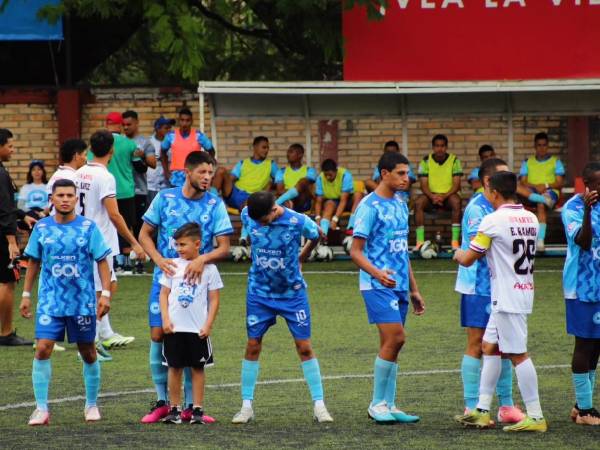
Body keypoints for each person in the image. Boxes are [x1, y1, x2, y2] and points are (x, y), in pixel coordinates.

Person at [138, 150, 232, 424]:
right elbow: (144, 233)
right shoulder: (165, 197)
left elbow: (224, 246)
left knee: (193, 340)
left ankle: (192, 407)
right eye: (202, 172)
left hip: (197, 288)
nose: (207, 178)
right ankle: (162, 403)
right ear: (187, 172)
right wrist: (158, 259)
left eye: (210, 173)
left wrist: (202, 258)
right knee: (159, 335)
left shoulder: (214, 204)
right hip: (165, 281)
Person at [454, 171, 547, 432]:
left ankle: (536, 416)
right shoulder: (529, 217)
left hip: (507, 297)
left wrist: (456, 252)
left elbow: (469, 258)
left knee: (518, 355)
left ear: (493, 192)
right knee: (489, 346)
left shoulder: (492, 220)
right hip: (518, 290)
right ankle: (482, 410)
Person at [231, 191, 333, 424]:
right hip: (259, 293)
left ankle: (319, 405)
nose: (260, 225)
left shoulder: (298, 220)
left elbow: (316, 235)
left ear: (274, 210)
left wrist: (303, 254)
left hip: (292, 294)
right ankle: (246, 406)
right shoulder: (249, 214)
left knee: (304, 346)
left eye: (264, 221)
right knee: (253, 345)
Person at [19, 179, 112, 425]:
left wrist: (105, 293)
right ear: (52, 198)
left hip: (82, 302)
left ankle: (91, 404)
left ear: (75, 198)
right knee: (42, 348)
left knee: (88, 352)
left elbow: (103, 260)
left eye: (70, 195)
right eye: (60, 195)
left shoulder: (88, 228)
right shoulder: (41, 228)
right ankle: (41, 409)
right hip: (50, 301)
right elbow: (34, 262)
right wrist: (26, 295)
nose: (65, 199)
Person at [349, 151, 425, 423]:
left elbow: (401, 251)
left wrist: (413, 289)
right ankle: (376, 404)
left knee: (391, 343)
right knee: (397, 338)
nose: (407, 178)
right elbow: (355, 251)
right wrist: (378, 274)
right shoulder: (369, 207)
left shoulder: (401, 203)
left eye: (407, 173)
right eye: (401, 173)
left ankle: (389, 404)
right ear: (384, 174)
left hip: (399, 285)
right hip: (376, 284)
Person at [75, 130, 144, 355]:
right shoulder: (105, 177)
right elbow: (114, 214)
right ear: (112, 150)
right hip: (99, 240)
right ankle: (90, 338)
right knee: (102, 288)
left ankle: (105, 332)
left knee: (106, 284)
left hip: (82, 236)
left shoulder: (80, 172)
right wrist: (134, 242)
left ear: (92, 149)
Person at [159, 223, 222, 425]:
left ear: (197, 244)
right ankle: (175, 409)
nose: (179, 249)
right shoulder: (172, 265)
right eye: (176, 244)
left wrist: (208, 324)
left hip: (197, 329)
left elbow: (214, 299)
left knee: (197, 368)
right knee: (174, 367)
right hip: (175, 328)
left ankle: (197, 409)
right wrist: (165, 319)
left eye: (183, 244)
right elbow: (163, 294)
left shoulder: (210, 269)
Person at [561, 161, 600, 425]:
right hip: (580, 288)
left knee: (596, 346)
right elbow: (583, 242)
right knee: (583, 345)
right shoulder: (573, 208)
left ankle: (581, 405)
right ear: (587, 184)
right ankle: (586, 411)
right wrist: (587, 210)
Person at [0, 128, 34, 346]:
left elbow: (7, 207)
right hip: (2, 237)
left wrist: (23, 217)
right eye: (10, 146)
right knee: (7, 281)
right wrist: (12, 241)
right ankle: (5, 333)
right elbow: (3, 210)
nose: (13, 150)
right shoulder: (1, 174)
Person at [212, 136, 278, 246]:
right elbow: (231, 179)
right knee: (221, 171)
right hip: (236, 194)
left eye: (267, 148)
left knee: (250, 202)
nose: (266, 150)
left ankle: (243, 237)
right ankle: (213, 205)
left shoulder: (271, 164)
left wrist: (269, 187)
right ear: (255, 147)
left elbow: (280, 182)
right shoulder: (243, 163)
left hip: (254, 197)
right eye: (264, 147)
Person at [104, 111, 142, 274]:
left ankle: (115, 262)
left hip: (106, 191)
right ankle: (127, 263)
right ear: (120, 125)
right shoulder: (130, 144)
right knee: (127, 226)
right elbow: (140, 168)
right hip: (126, 191)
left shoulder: (100, 143)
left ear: (107, 125)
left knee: (110, 226)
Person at [517, 132, 565, 252]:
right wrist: (536, 186)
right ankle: (542, 199)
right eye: (539, 145)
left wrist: (545, 185)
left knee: (541, 205)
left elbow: (559, 183)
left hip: (550, 191)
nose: (542, 148)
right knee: (515, 186)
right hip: (532, 192)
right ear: (535, 146)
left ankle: (540, 241)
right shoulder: (527, 161)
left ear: (547, 146)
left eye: (544, 145)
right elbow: (523, 181)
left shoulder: (555, 161)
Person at [414, 134, 463, 251]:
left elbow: (456, 185)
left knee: (457, 202)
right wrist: (433, 196)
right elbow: (423, 185)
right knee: (418, 203)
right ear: (433, 147)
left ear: (446, 147)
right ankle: (420, 242)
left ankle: (455, 242)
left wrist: (443, 196)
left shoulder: (454, 160)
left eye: (442, 146)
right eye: (437, 146)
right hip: (431, 196)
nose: (439, 149)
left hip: (448, 196)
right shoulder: (425, 161)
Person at [123, 110, 157, 274]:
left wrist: (142, 156)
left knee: (138, 226)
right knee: (122, 226)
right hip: (122, 190)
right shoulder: (119, 142)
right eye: (123, 124)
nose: (126, 127)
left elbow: (153, 164)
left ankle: (140, 262)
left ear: (136, 123)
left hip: (139, 190)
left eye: (129, 124)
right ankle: (123, 261)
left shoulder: (145, 142)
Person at [161, 107, 214, 187]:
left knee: (194, 198)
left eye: (187, 120)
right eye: (182, 120)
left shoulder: (198, 135)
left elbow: (211, 150)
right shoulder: (171, 136)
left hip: (194, 175)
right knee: (177, 199)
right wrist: (166, 171)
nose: (184, 123)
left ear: (191, 121)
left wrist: (206, 169)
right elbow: (162, 152)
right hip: (176, 177)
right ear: (179, 121)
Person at [314, 159, 362, 240]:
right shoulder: (320, 178)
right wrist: (318, 218)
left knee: (358, 195)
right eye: (326, 175)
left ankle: (351, 227)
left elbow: (344, 200)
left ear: (336, 171)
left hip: (347, 201)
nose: (327, 177)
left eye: (330, 175)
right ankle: (323, 236)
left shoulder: (345, 175)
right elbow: (318, 201)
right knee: (329, 205)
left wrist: (335, 219)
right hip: (332, 201)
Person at [274, 143, 317, 212]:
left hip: (303, 202)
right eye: (287, 152)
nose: (288, 155)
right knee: (283, 198)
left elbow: (307, 188)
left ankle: (276, 204)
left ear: (300, 155)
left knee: (303, 181)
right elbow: (280, 190)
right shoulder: (281, 171)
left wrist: (294, 193)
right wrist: (290, 198)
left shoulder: (310, 170)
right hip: (288, 202)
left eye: (291, 152)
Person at [47, 139, 88, 208]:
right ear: (76, 156)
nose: (86, 159)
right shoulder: (75, 178)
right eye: (85, 154)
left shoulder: (55, 175)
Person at [148, 117, 174, 202]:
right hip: (151, 185)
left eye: (170, 127)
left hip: (168, 184)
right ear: (157, 128)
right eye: (166, 128)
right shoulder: (149, 142)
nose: (169, 130)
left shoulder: (173, 142)